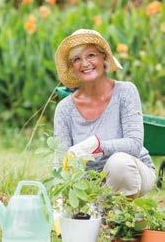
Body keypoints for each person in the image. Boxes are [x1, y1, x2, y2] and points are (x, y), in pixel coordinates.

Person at [53, 29, 155, 197]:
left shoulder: (125, 92)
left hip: (132, 170)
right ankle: (100, 209)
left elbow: (135, 144)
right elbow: (60, 161)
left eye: (91, 55)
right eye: (76, 59)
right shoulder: (64, 109)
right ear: (72, 67)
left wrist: (98, 147)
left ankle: (118, 211)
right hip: (87, 183)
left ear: (104, 58)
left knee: (118, 163)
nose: (85, 63)